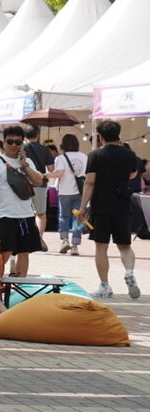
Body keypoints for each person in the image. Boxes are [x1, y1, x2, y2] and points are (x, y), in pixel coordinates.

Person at [82, 119, 141, 300]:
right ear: (118, 134)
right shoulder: (129, 155)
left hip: (101, 206)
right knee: (125, 246)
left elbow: (90, 181)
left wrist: (83, 207)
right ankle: (129, 271)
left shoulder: (96, 155)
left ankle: (105, 286)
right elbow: (133, 174)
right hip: (122, 205)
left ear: (100, 136)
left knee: (101, 247)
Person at [0, 125, 46, 279]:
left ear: (22, 144)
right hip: (6, 215)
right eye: (10, 142)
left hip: (26, 214)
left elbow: (38, 181)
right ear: (3, 142)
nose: (13, 145)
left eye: (17, 142)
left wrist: (25, 165)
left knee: (24, 252)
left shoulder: (27, 161)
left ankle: (20, 284)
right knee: (5, 252)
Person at [49, 133, 88, 256]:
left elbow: (59, 173)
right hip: (81, 192)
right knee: (78, 217)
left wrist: (45, 175)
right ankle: (75, 245)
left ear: (63, 145)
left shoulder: (61, 158)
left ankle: (65, 240)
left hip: (65, 191)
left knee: (63, 216)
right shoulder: (84, 157)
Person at [22, 124, 55, 237]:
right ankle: (39, 238)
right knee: (40, 214)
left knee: (24, 212)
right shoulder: (45, 149)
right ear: (38, 135)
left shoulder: (21, 149)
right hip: (40, 184)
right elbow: (51, 169)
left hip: (23, 184)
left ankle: (25, 236)